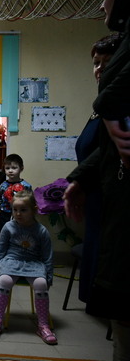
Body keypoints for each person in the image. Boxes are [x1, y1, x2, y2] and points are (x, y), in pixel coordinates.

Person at [65, 0, 130, 358]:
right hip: (104, 202)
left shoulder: (111, 100)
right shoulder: (100, 111)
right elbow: (102, 150)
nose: (103, 3)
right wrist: (81, 178)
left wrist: (108, 102)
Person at [73, 33, 121, 304]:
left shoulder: (121, 106)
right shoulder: (102, 106)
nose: (100, 68)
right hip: (94, 200)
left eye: (108, 62)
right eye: (96, 63)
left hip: (114, 202)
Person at [0, 190, 57, 345]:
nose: (18, 214)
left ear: (34, 210)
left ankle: (43, 325)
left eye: (23, 210)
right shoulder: (8, 227)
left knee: (41, 284)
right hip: (11, 261)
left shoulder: (41, 231)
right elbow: (0, 251)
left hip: (33, 263)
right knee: (5, 280)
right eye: (15, 209)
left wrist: (49, 277)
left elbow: (47, 256)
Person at [0, 154, 32, 234]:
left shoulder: (26, 186)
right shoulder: (2, 186)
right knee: (3, 232)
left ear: (21, 168)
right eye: (7, 168)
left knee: (21, 233)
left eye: (14, 168)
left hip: (21, 213)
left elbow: (30, 201)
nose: (10, 171)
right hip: (5, 213)